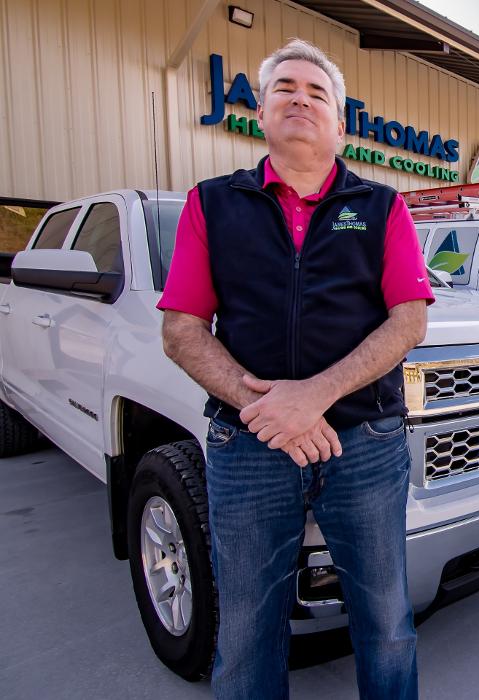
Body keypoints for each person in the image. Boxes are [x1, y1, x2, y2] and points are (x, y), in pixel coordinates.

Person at [159, 40, 431, 699]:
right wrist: (269, 410)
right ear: (259, 111)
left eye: (318, 93)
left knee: (387, 620)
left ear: (342, 124)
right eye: (285, 88)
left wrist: (315, 395)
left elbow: (409, 321)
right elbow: (181, 331)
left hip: (365, 443)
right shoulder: (212, 204)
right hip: (246, 447)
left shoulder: (383, 207)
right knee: (249, 627)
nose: (300, 98)